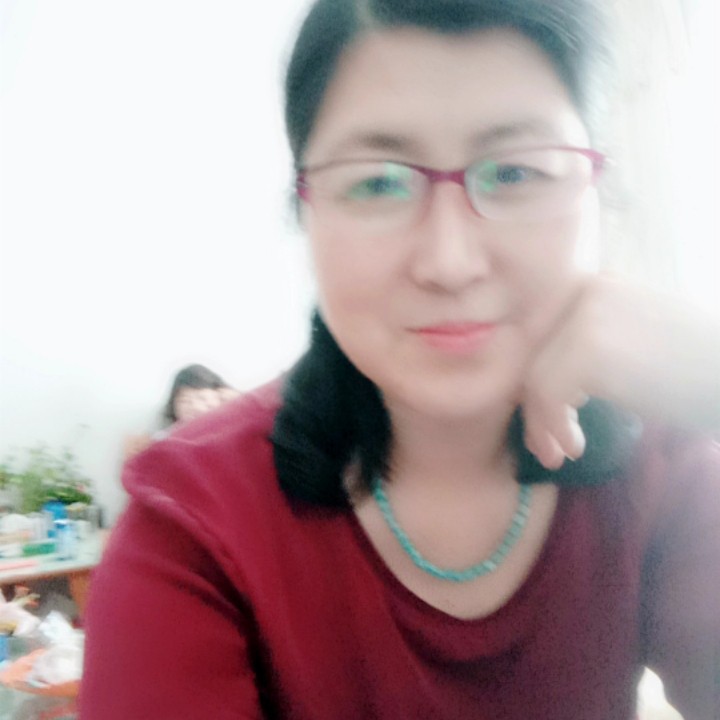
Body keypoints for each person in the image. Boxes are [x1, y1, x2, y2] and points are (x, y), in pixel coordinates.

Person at [81, 1, 720, 718]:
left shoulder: (670, 457)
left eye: (516, 172)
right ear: (304, 210)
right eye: (379, 181)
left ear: (599, 190)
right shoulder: (193, 523)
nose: (450, 262)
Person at [123, 364, 240, 460]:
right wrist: (139, 453)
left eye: (202, 398)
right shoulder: (167, 438)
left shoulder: (235, 425)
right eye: (185, 401)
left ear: (220, 397)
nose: (195, 407)